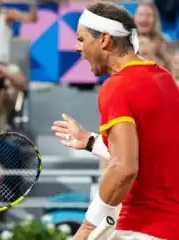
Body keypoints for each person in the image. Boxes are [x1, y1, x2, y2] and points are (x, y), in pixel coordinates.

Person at [52, 2, 179, 239]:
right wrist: (89, 141)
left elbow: (124, 168)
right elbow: (149, 154)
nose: (77, 47)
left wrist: (89, 226)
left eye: (81, 39)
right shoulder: (165, 78)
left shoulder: (117, 87)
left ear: (104, 40)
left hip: (140, 229)